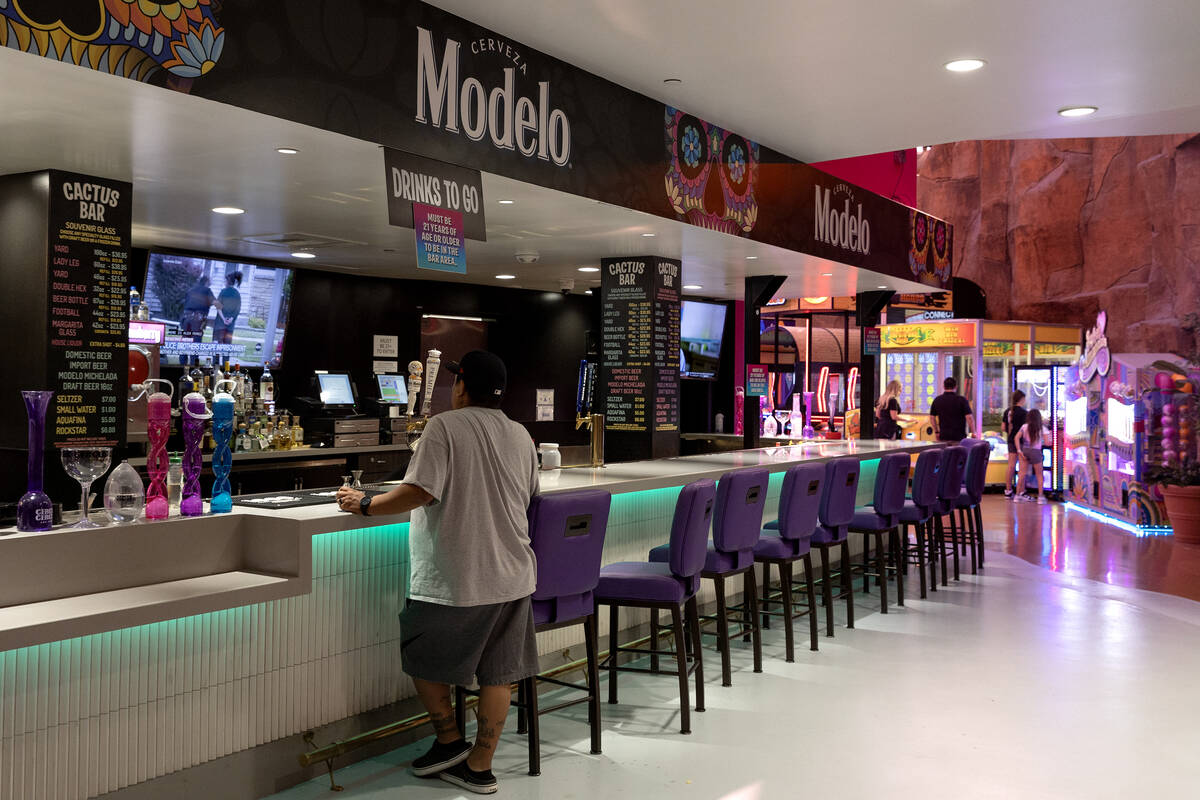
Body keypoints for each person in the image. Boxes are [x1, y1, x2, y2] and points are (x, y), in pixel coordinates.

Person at [335, 350, 539, 795]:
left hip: (458, 574)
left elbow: (419, 491)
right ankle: (479, 768)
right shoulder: (521, 434)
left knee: (420, 653)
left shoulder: (444, 426)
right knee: (498, 673)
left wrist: (364, 503)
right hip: (514, 573)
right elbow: (529, 496)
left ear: (462, 385)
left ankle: (449, 741)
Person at [1014, 408, 1046, 503]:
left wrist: (1019, 450)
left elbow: (1016, 438)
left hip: (1025, 451)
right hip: (1036, 452)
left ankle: (1017, 495)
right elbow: (1048, 442)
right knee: (1039, 475)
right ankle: (1040, 497)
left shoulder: (1024, 426)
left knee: (1022, 474)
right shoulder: (1042, 428)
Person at [930, 376, 974, 442]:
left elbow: (932, 418)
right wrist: (973, 432)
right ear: (956, 387)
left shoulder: (937, 400)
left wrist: (936, 432)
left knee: (945, 452)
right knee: (958, 452)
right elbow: (969, 417)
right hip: (959, 437)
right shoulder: (961, 400)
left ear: (944, 387)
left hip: (943, 436)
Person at [1001, 390, 1028, 498]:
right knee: (1022, 467)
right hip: (1021, 442)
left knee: (1011, 465)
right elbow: (1026, 429)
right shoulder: (1024, 413)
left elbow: (1003, 427)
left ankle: (1008, 490)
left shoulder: (1008, 411)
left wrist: (1011, 432)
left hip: (1011, 440)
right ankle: (1021, 491)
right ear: (1021, 399)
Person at [212, 271, 242, 346]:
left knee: (217, 349)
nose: (224, 282)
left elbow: (218, 307)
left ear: (227, 282)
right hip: (230, 326)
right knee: (227, 349)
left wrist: (223, 319)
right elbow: (237, 310)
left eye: (225, 281)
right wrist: (231, 319)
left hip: (219, 325)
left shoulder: (223, 292)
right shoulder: (237, 294)